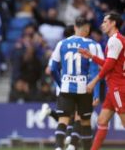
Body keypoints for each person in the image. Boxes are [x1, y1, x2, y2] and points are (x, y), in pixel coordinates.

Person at [50, 17, 102, 150]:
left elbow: (53, 69)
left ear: (74, 28)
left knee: (63, 120)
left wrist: (61, 84)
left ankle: (58, 147)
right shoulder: (92, 45)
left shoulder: (62, 44)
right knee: (84, 122)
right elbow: (94, 70)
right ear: (87, 29)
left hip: (66, 87)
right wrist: (96, 92)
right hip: (84, 89)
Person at [78, 12, 125, 150]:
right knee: (102, 120)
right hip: (114, 88)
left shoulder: (114, 40)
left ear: (113, 23)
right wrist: (92, 56)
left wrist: (94, 81)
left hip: (118, 87)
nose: (102, 24)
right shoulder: (118, 39)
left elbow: (109, 66)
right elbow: (110, 63)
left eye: (105, 22)